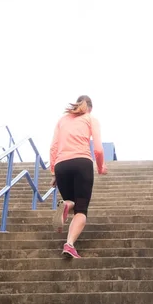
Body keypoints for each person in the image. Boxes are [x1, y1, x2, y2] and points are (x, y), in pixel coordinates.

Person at [49, 95, 107, 258]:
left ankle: (66, 205)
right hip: (82, 163)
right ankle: (69, 244)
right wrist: (101, 167)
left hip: (61, 165)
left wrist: (53, 172)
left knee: (73, 201)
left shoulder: (62, 120)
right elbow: (99, 149)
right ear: (90, 108)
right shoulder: (90, 119)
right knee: (81, 209)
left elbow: (53, 147)